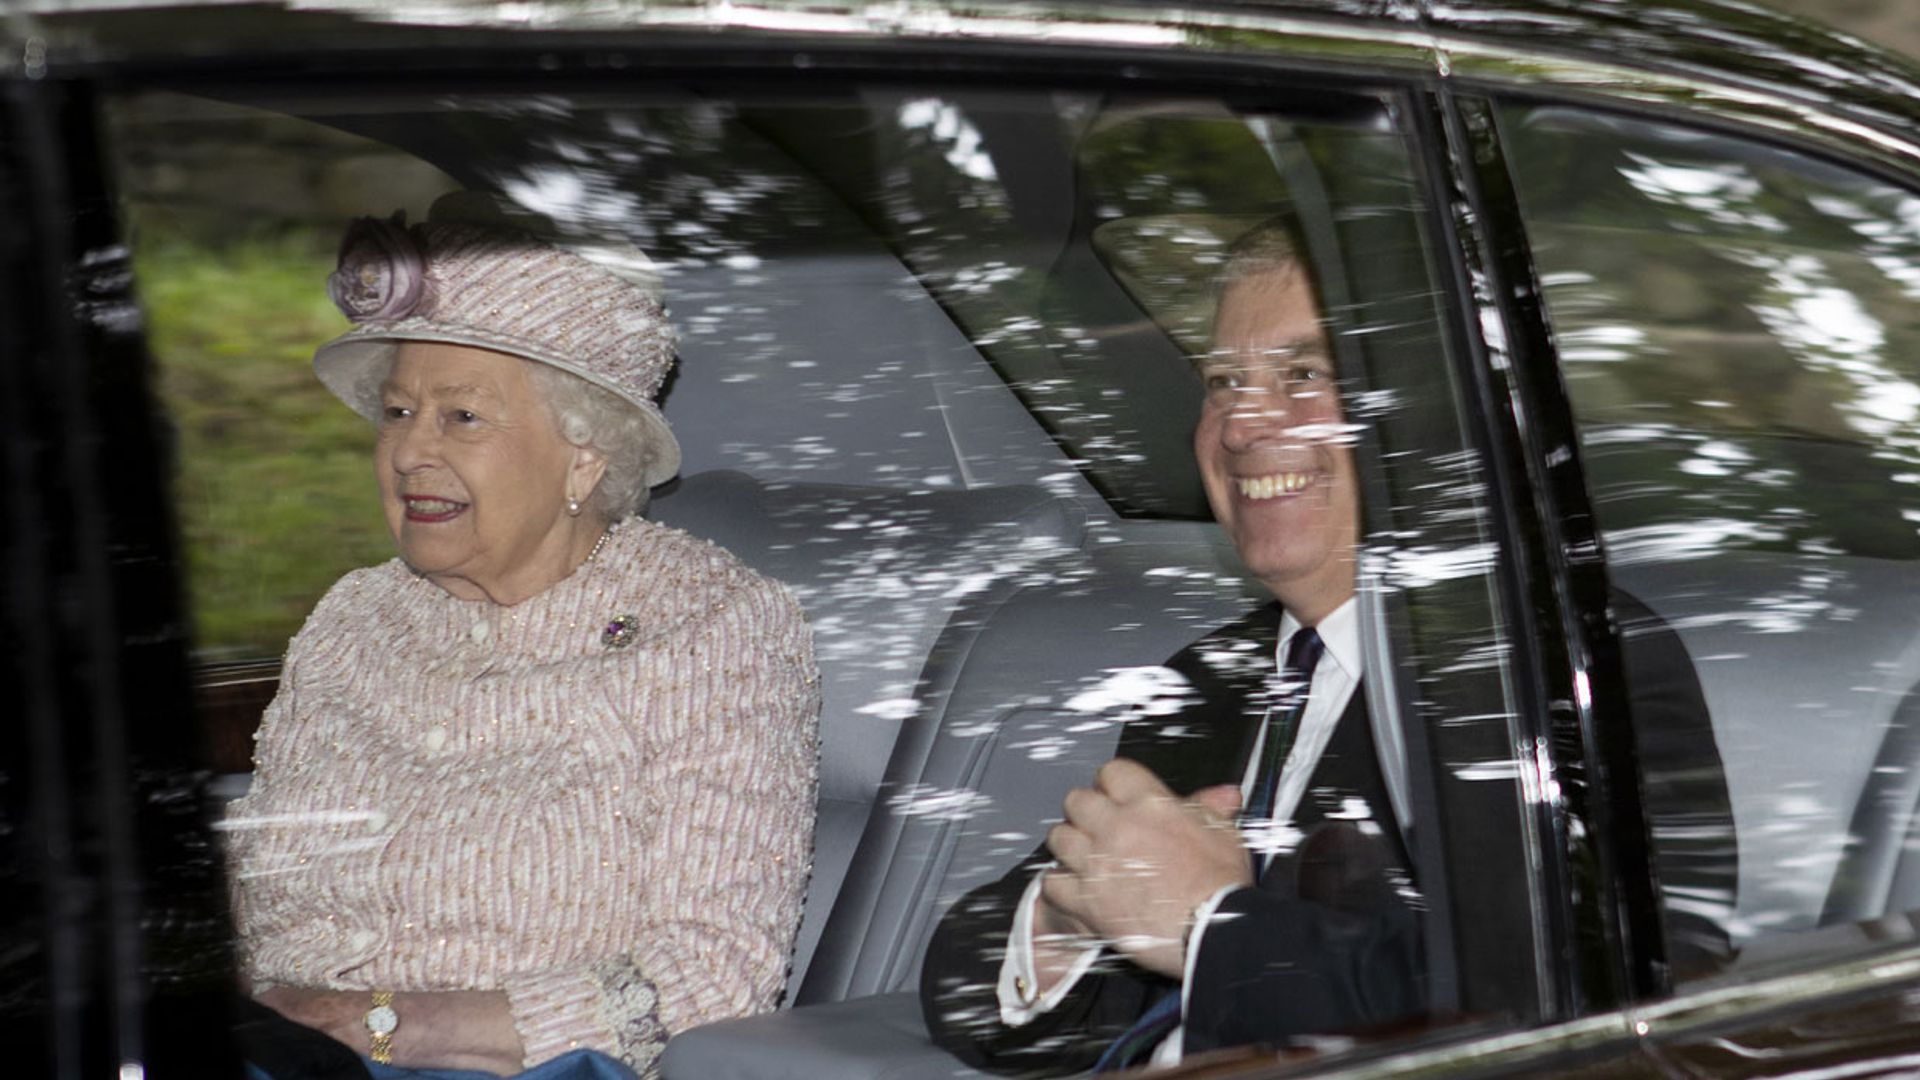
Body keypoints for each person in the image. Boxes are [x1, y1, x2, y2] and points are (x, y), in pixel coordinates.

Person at [920, 219, 1733, 1074]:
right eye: (1224, 381)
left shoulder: (1559, 670)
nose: (1242, 423)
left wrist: (1214, 924)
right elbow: (963, 983)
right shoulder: (1210, 678)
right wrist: (1067, 922)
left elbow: (1589, 1017)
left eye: (1304, 375)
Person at [220, 195, 821, 1080]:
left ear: (585, 457)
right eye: (395, 413)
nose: (409, 453)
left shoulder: (713, 627)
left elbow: (713, 978)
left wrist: (377, 1025)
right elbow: (256, 879)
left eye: (461, 417)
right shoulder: (352, 618)